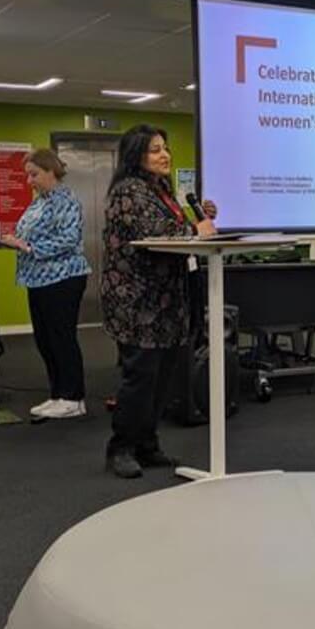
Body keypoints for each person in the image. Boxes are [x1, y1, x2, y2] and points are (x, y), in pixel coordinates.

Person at [101, 125, 217, 479]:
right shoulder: (128, 191)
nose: (164, 155)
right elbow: (152, 234)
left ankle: (147, 444)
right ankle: (120, 447)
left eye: (165, 148)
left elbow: (174, 229)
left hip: (167, 300)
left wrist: (198, 217)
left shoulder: (160, 189)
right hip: (136, 302)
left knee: (163, 377)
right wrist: (193, 231)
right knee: (140, 377)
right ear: (136, 155)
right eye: (155, 150)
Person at [3, 147, 91, 420]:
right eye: (27, 175)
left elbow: (67, 239)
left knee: (61, 337)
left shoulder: (66, 200)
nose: (29, 181)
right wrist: (12, 241)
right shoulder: (40, 201)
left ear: (51, 172)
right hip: (39, 279)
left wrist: (27, 246)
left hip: (63, 278)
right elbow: (26, 233)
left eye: (34, 175)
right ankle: (58, 394)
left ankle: (74, 398)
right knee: (44, 339)